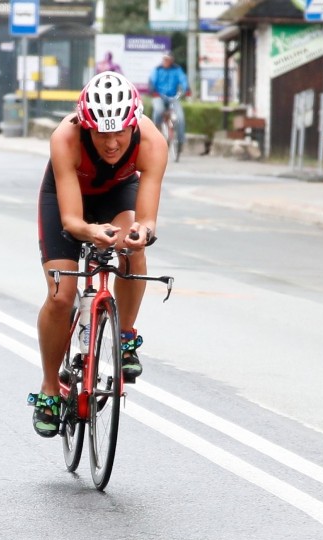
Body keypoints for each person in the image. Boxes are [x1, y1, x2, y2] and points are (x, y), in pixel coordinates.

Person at [31, 71, 168, 437]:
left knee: (132, 247)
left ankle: (125, 338)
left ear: (133, 124)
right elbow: (73, 220)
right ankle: (48, 389)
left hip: (117, 192)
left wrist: (142, 232)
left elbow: (148, 218)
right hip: (68, 194)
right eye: (102, 133)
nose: (111, 144)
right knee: (61, 295)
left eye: (119, 132)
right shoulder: (66, 138)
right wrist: (91, 231)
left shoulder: (152, 141)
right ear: (86, 125)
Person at [148, 53, 190, 156]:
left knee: (180, 117)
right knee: (158, 111)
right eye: (164, 60)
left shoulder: (177, 70)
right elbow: (152, 81)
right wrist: (153, 90)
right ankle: (156, 133)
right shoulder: (157, 70)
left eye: (168, 60)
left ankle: (180, 141)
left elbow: (183, 79)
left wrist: (187, 89)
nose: (166, 62)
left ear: (171, 60)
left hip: (173, 97)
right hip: (159, 96)